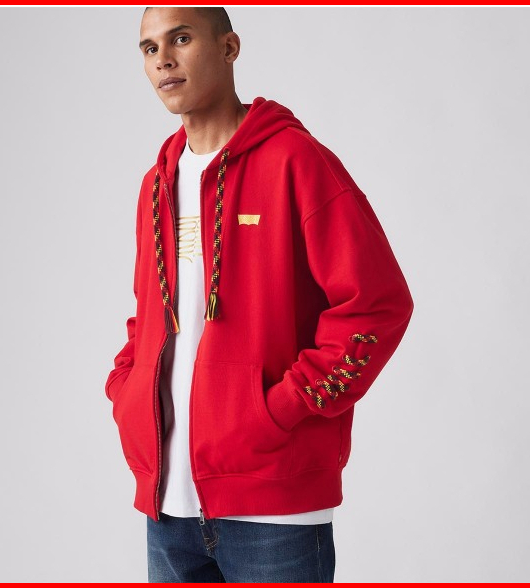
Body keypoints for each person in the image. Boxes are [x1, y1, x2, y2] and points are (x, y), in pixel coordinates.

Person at [105, 6, 414, 583]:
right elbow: (152, 314)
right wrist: (127, 389)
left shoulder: (296, 162)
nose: (163, 59)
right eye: (149, 48)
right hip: (167, 506)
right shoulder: (155, 184)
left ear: (229, 48)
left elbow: (378, 304)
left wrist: (281, 409)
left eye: (181, 38)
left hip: (276, 511)